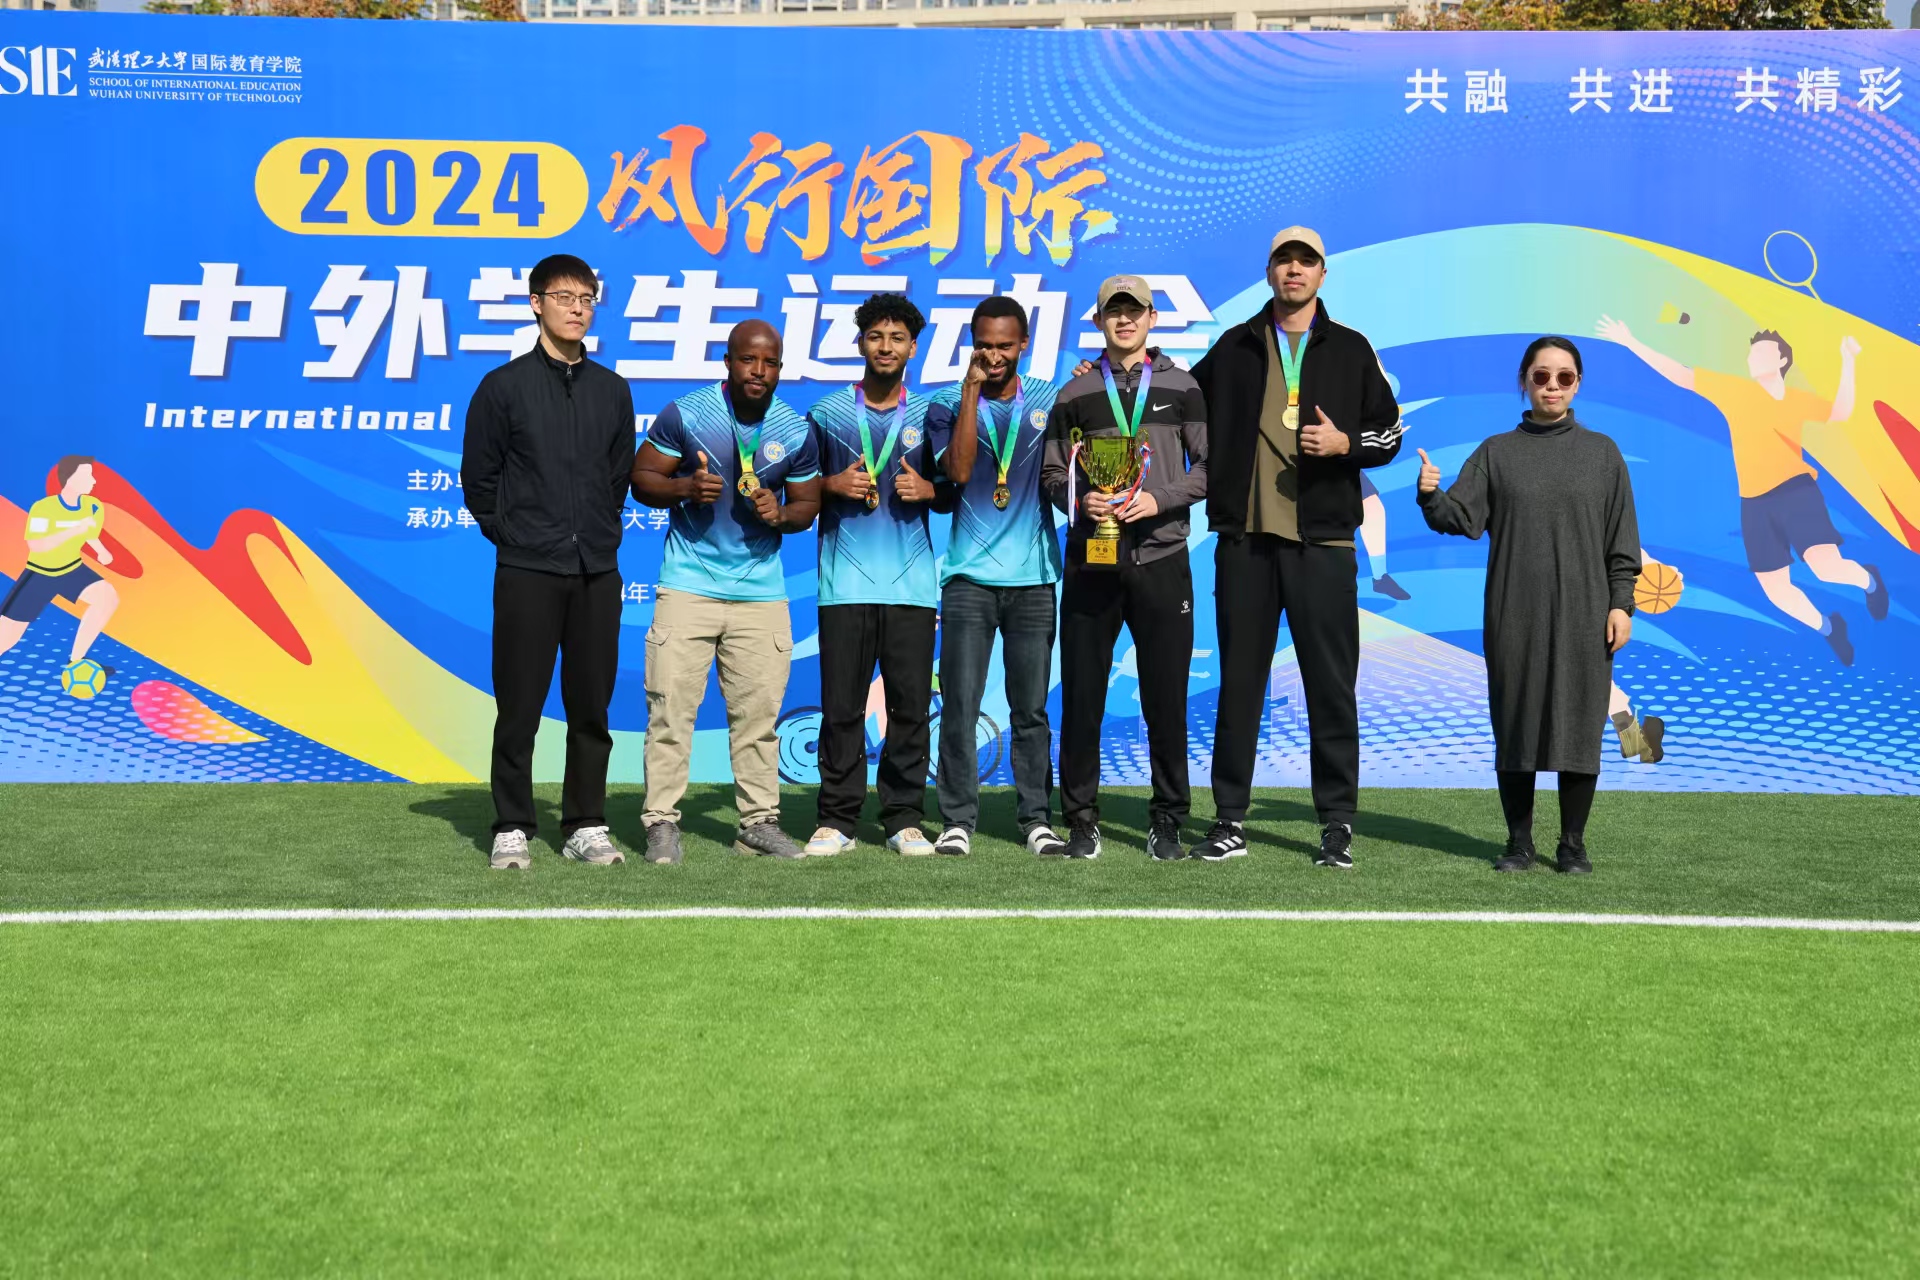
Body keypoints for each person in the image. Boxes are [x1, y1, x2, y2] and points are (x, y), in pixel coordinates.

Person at [1187, 226, 1404, 869]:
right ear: (1269, 272)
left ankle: (1336, 823)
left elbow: (1389, 433)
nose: (1294, 270)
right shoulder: (1234, 345)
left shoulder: (1351, 348)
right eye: (1284, 260)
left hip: (1324, 543)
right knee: (1240, 685)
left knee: (1331, 687)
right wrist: (1109, 377)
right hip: (1246, 542)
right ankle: (1229, 819)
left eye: (1306, 262)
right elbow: (1178, 404)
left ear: (1322, 274)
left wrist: (1346, 445)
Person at [1416, 336, 1641, 874]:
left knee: (1579, 724)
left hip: (1586, 615)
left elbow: (1622, 540)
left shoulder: (1603, 453)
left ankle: (1572, 844)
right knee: (1516, 722)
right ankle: (1519, 843)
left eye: (1564, 377)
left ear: (1578, 384)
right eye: (1541, 376)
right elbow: (1460, 518)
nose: (1552, 386)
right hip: (1513, 612)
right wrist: (1429, 495)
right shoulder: (1496, 452)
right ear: (1525, 382)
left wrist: (1621, 604)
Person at [462, 254, 635, 872]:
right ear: (536, 304)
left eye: (586, 299)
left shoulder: (612, 390)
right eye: (564, 297)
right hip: (528, 571)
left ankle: (585, 823)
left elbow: (616, 477)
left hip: (596, 571)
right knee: (520, 706)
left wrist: (595, 533)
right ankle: (512, 824)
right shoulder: (503, 387)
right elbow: (479, 481)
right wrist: (517, 536)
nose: (577, 309)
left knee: (592, 708)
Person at [630, 319, 821, 865]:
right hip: (687, 587)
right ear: (728, 361)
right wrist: (684, 487)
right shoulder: (687, 413)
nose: (758, 371)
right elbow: (641, 478)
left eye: (770, 363)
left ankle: (758, 824)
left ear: (780, 368)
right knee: (670, 713)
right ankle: (661, 822)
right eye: (748, 360)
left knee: (758, 720)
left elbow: (807, 506)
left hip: (761, 595)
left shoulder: (795, 428)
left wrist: (780, 514)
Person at [1597, 317, 1885, 665]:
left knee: (1826, 568)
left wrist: (1848, 360)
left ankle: (1870, 581)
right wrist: (1631, 342)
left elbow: (1840, 412)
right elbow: (1681, 375)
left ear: (1782, 359)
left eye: (1762, 351)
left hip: (1796, 491)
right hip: (1754, 503)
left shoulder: (1796, 399)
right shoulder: (1735, 390)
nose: (1753, 358)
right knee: (1777, 591)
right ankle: (1829, 628)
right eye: (1752, 353)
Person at [1041, 275, 1208, 861]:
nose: (1125, 320)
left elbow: (1211, 467)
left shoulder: (1183, 386)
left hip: (1162, 555)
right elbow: (1052, 473)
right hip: (1093, 559)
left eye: (1134, 310)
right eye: (1114, 311)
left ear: (1152, 318)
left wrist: (1159, 500)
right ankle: (1081, 820)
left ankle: (1168, 821)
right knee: (1082, 695)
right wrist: (1080, 498)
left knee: (1166, 698)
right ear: (1099, 321)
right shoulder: (1074, 392)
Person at [925, 296, 1068, 858]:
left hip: (1034, 579)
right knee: (959, 706)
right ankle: (957, 821)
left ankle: (1036, 820)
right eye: (983, 345)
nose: (993, 355)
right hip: (968, 579)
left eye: (1004, 346)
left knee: (1030, 709)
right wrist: (969, 393)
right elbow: (958, 471)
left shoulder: (1051, 400)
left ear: (1023, 344)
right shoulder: (945, 404)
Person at [803, 294, 942, 858]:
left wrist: (930, 490)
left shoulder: (931, 414)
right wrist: (830, 485)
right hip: (845, 586)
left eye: (897, 338)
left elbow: (958, 487)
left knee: (910, 708)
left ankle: (904, 819)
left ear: (913, 348)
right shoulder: (827, 413)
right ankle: (837, 819)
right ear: (860, 342)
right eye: (876, 336)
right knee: (842, 708)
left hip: (912, 587)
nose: (886, 347)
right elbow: (797, 492)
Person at [0, 456, 120, 685]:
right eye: (87, 475)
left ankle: (76, 661)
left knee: (107, 597)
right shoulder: (43, 508)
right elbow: (37, 545)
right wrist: (75, 529)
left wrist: (101, 551)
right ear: (69, 478)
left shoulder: (93, 506)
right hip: (40, 573)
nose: (93, 481)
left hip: (71, 569)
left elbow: (90, 533)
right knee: (7, 636)